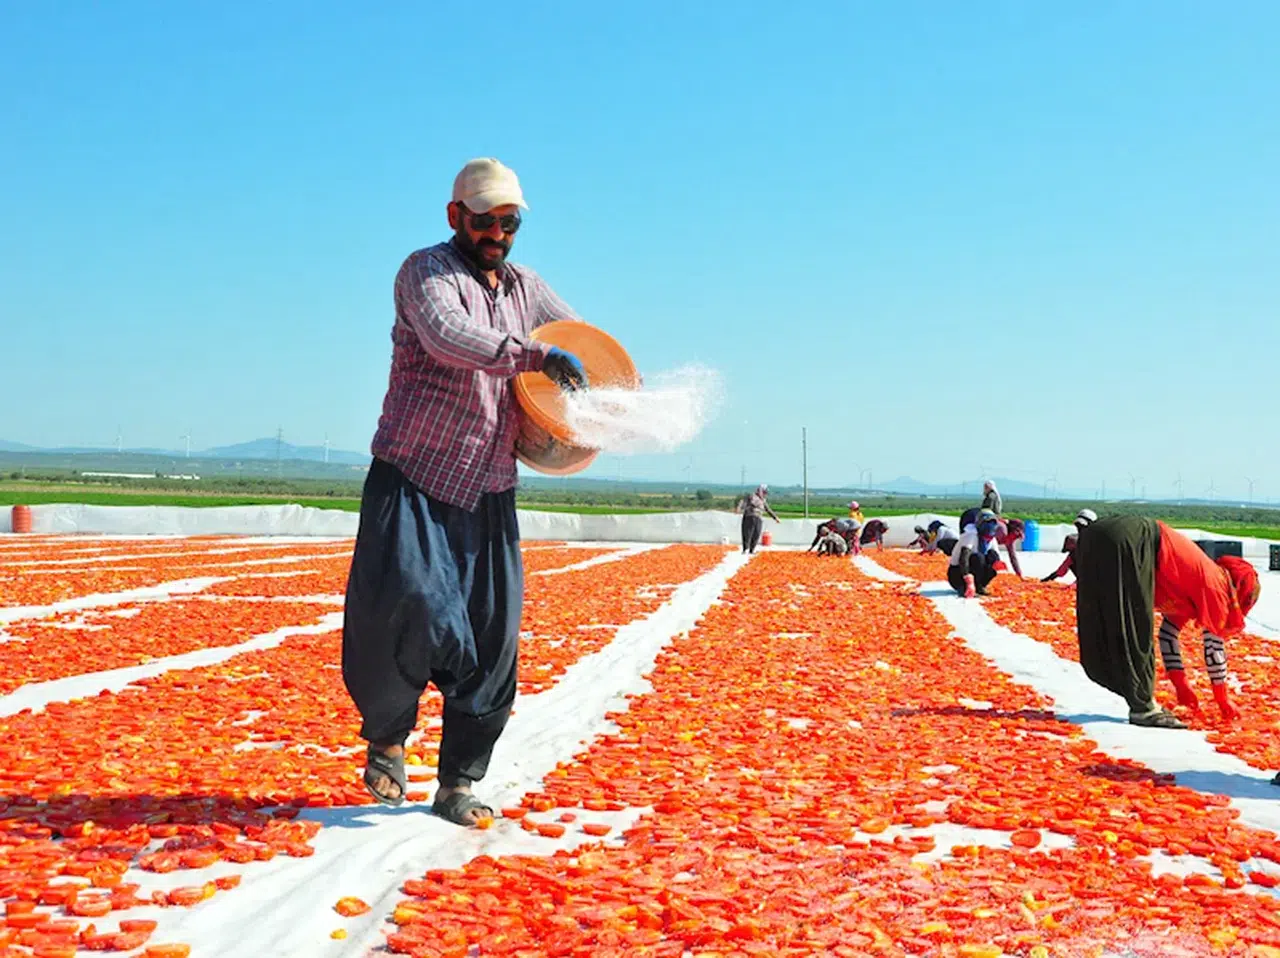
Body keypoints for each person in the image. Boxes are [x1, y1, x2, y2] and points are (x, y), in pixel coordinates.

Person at [342, 158, 592, 828]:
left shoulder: (525, 286)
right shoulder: (425, 272)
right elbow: (451, 338)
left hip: (488, 485)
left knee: (490, 638)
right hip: (415, 473)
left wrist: (600, 384)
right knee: (412, 608)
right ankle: (389, 740)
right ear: (456, 217)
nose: (498, 233)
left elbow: (576, 342)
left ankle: (457, 783)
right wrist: (537, 358)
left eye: (509, 222)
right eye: (485, 220)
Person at [1073, 516, 1260, 729]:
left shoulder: (1193, 586)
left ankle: (1128, 691)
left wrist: (1181, 686)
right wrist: (1223, 699)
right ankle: (1144, 709)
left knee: (1106, 615)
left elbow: (1168, 635)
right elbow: (1213, 646)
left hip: (1094, 538)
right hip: (1135, 539)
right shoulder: (1217, 584)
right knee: (1135, 625)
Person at [947, 509, 1003, 597]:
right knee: (978, 558)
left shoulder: (991, 539)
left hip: (975, 570)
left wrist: (996, 564)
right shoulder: (971, 535)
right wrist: (968, 580)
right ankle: (964, 587)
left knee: (993, 557)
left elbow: (995, 556)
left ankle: (979, 586)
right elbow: (963, 558)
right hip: (957, 574)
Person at [1041, 509, 1097, 582]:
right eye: (1078, 526)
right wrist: (1049, 578)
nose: (1079, 529)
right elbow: (1065, 566)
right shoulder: (1074, 542)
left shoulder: (1096, 543)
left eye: (1082, 526)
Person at [739, 484, 780, 553]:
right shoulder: (752, 496)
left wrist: (775, 517)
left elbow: (768, 509)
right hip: (749, 516)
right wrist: (740, 508)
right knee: (747, 533)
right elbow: (744, 502)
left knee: (756, 534)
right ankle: (745, 549)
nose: (765, 494)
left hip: (758, 518)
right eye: (764, 492)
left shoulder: (763, 500)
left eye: (766, 493)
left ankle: (752, 550)